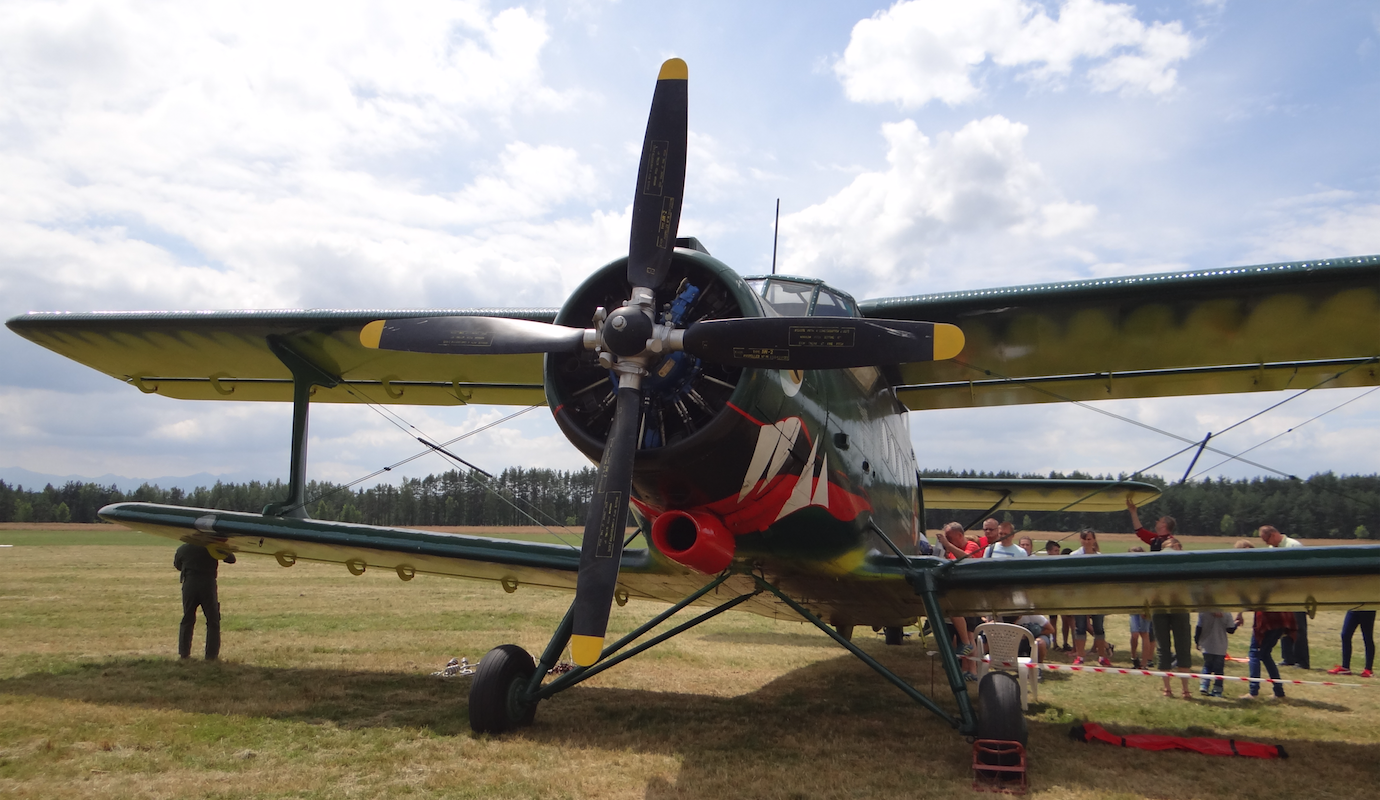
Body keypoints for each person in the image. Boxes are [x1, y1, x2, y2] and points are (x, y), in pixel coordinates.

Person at [174, 542, 235, 660]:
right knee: (213, 620)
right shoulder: (212, 547)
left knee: (187, 618)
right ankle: (211, 655)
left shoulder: (183, 548)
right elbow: (231, 559)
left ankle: (184, 653)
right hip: (207, 584)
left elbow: (177, 565)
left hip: (189, 583)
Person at [1260, 525, 1310, 669]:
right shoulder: (1271, 550)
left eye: (1267, 540)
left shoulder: (1294, 546)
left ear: (1274, 534)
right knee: (1283, 626)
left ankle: (1302, 661)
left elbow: (1304, 569)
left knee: (1298, 627)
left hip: (1297, 593)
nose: (1267, 544)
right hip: (1281, 594)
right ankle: (1288, 658)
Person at [1068, 529, 1111, 667]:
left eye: (1090, 539)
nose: (1087, 541)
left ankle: (1102, 657)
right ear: (1080, 540)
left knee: (1099, 627)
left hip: (1096, 597)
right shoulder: (1073, 556)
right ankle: (1080, 656)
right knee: (1080, 627)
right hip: (1079, 596)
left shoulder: (1100, 557)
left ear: (1094, 540)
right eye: (1085, 539)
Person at [1248, 610, 1296, 698]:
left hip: (1267, 619)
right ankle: (1279, 692)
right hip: (1282, 620)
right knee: (1265, 654)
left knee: (1254, 653)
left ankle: (1253, 691)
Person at [1196, 611, 1237, 696]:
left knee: (1207, 665)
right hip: (1220, 646)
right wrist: (1236, 623)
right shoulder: (1227, 613)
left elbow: (1199, 627)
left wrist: (1197, 641)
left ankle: (1204, 685)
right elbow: (1230, 630)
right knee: (1219, 669)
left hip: (1206, 645)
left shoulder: (1203, 612)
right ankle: (1217, 690)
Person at [1126, 546, 1154, 669]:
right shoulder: (1128, 572)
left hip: (1145, 605)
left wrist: (1145, 608)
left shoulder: (1147, 572)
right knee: (1134, 634)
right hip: (1133, 605)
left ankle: (1144, 663)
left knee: (1145, 633)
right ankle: (1134, 657)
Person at [1328, 610, 1376, 677]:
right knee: (1345, 635)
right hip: (1354, 609)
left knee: (1367, 637)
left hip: (1367, 610)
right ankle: (1345, 667)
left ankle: (1368, 669)